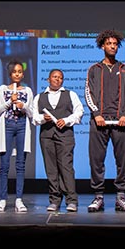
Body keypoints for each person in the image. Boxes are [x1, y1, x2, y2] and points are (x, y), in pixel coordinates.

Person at [84, 29, 125, 213]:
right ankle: (98, 196)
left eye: (115, 44)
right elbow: (88, 93)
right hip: (99, 121)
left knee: (123, 160)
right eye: (109, 44)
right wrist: (96, 113)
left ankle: (121, 196)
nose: (113, 46)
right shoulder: (94, 69)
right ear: (102, 46)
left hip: (120, 121)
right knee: (96, 160)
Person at [32, 69, 84, 212]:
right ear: (48, 79)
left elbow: (79, 111)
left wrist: (66, 120)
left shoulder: (70, 94)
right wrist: (44, 118)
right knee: (51, 169)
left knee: (66, 167)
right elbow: (34, 117)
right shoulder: (39, 97)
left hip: (65, 135)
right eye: (55, 77)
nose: (57, 80)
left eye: (60, 78)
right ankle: (54, 200)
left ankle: (71, 200)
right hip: (47, 136)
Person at [0, 59, 34, 212]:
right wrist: (10, 101)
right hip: (7, 127)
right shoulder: (3, 89)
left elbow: (32, 113)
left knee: (21, 165)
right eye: (15, 71)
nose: (17, 74)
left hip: (22, 126)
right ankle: (2, 199)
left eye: (20, 71)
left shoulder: (27, 91)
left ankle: (19, 199)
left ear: (23, 74)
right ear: (10, 74)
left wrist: (24, 107)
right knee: (4, 165)